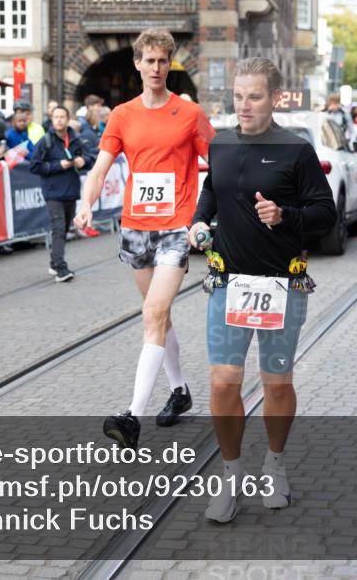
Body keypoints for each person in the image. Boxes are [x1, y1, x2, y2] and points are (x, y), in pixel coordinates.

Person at [189, 57, 336, 523]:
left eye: (254, 96)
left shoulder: (295, 150)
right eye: (238, 95)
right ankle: (230, 476)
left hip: (280, 285)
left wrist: (284, 215)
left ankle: (274, 463)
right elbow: (212, 190)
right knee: (222, 383)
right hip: (228, 281)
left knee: (276, 385)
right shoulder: (222, 143)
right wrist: (197, 221)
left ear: (275, 98)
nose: (244, 105)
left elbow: (325, 213)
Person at [74, 27, 214, 450]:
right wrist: (86, 205)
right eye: (148, 60)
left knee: (153, 313)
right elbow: (99, 168)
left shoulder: (189, 114)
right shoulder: (122, 115)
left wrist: (215, 213)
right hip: (136, 228)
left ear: (169, 64)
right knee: (159, 316)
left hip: (176, 227)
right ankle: (180, 391)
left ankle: (131, 416)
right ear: (137, 63)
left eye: (162, 61)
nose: (155, 68)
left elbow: (221, 165)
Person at [31, 106, 95, 282]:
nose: (59, 120)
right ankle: (60, 268)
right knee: (58, 228)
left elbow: (91, 157)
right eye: (56, 117)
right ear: (52, 119)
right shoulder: (45, 141)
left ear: (68, 119)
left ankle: (54, 262)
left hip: (71, 191)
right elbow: (35, 166)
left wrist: (83, 161)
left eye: (62, 117)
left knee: (65, 228)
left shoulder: (75, 139)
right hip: (53, 192)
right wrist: (58, 165)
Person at [77, 94, 105, 159]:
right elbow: (87, 150)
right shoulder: (83, 127)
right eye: (98, 106)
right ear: (90, 107)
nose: (100, 108)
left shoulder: (93, 126)